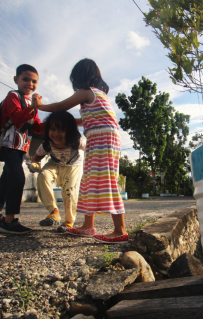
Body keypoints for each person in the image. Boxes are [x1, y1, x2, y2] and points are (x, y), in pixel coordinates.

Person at [32, 58, 128, 243]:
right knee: (89, 180)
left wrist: (39, 106)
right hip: (99, 138)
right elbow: (82, 121)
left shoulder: (87, 92)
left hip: (103, 139)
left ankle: (120, 230)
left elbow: (61, 107)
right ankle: (88, 225)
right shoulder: (97, 97)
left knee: (105, 179)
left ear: (79, 77)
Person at [0, 64, 44, 234]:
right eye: (26, 79)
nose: (30, 84)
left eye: (34, 81)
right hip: (8, 145)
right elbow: (18, 119)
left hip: (21, 147)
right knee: (18, 178)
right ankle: (8, 221)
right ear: (16, 80)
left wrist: (56, 124)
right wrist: (33, 107)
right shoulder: (13, 96)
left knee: (6, 180)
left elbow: (37, 127)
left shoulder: (30, 102)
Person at [27, 111, 86, 232]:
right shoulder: (46, 144)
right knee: (43, 175)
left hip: (73, 166)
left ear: (70, 131)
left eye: (62, 130)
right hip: (54, 164)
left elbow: (92, 149)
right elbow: (36, 158)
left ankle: (69, 221)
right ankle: (54, 212)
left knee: (69, 190)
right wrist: (34, 165)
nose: (56, 134)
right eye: (52, 129)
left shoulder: (77, 141)